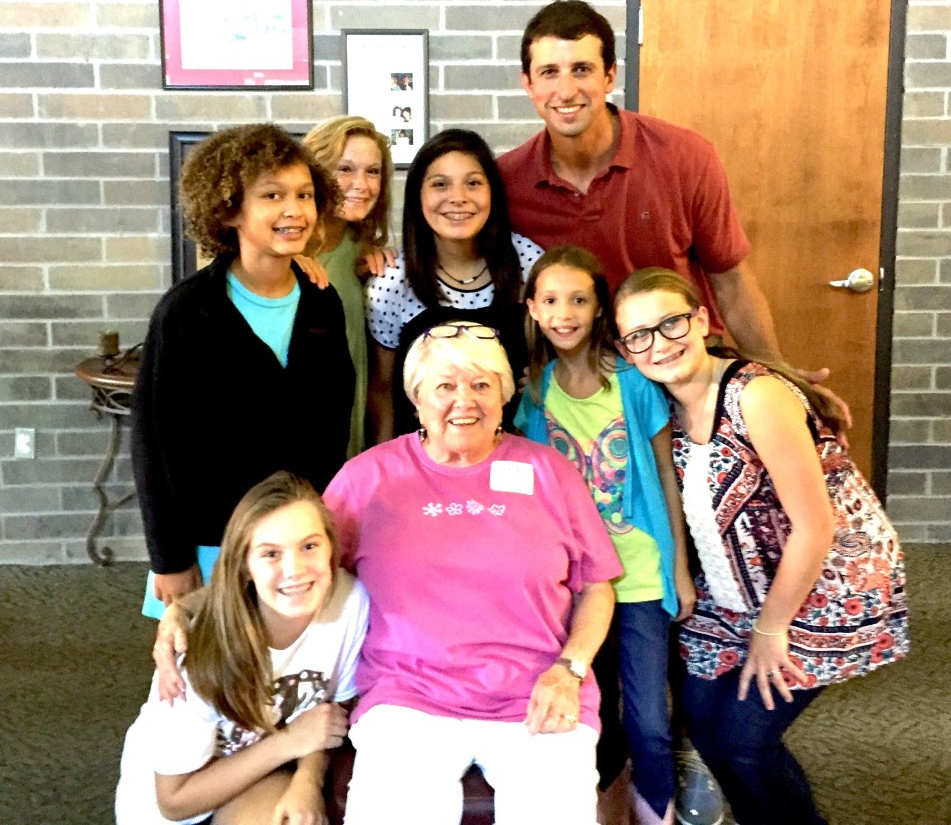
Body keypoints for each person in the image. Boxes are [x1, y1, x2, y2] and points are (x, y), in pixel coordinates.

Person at [611, 267, 910, 825]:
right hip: (730, 585)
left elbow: (815, 527)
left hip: (822, 584)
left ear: (700, 320)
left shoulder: (757, 394)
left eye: (671, 323)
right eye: (639, 336)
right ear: (627, 351)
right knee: (702, 724)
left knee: (745, 740)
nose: (660, 344)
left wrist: (771, 630)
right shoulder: (658, 405)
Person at [326, 322, 621, 824]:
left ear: (504, 396)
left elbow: (597, 584)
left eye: (482, 385)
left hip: (538, 691)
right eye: (445, 386)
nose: (465, 400)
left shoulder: (550, 473)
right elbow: (300, 566)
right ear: (416, 398)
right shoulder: (366, 479)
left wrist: (569, 670)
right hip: (408, 697)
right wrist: (191, 612)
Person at [498, 0, 845, 419]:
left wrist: (779, 374)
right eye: (549, 72)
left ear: (609, 76)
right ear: (528, 83)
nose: (566, 90)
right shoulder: (508, 181)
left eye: (582, 69)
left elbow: (730, 280)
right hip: (579, 396)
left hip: (684, 380)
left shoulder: (684, 156)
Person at [131, 123, 354, 613]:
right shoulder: (186, 312)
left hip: (296, 541)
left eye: (304, 195)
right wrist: (168, 558)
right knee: (211, 676)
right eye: (272, 195)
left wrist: (325, 530)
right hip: (212, 539)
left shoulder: (322, 303)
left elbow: (332, 426)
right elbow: (154, 442)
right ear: (230, 208)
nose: (293, 210)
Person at [516, 247, 696, 825]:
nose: (564, 312)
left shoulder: (635, 384)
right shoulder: (533, 393)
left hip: (639, 572)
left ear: (599, 310)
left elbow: (667, 473)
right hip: (571, 581)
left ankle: (657, 810)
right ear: (533, 309)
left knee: (648, 715)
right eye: (550, 300)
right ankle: (598, 806)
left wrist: (681, 568)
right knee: (589, 706)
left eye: (579, 299)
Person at [116, 472, 370, 825]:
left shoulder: (349, 602)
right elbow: (173, 802)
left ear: (331, 549)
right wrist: (288, 743)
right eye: (270, 554)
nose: (295, 569)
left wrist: (306, 780)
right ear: (245, 566)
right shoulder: (196, 650)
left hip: (260, 780)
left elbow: (327, 712)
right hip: (177, 804)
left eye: (309, 546)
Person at [366, 128, 543, 442]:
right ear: (418, 196)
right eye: (439, 184)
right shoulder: (392, 280)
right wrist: (384, 469)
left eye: (473, 183)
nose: (458, 197)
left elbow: (551, 361)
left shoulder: (528, 263)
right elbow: (382, 391)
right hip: (424, 461)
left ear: (493, 193)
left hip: (512, 456)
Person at [302, 115, 394, 457]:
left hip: (350, 441)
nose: (362, 184)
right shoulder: (285, 257)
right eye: (345, 169)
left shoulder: (361, 252)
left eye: (373, 171)